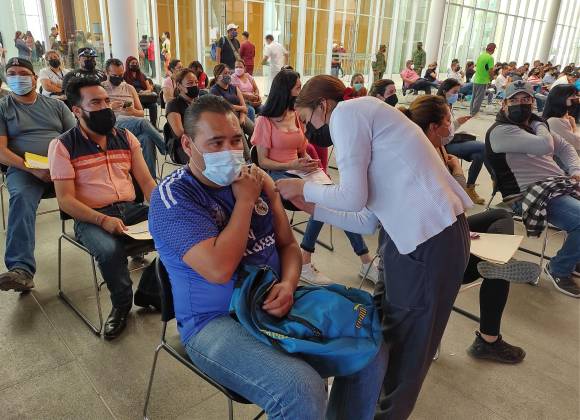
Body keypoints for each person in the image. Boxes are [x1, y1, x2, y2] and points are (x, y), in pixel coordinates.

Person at [148, 94, 387, 419]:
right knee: (300, 388)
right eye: (216, 143)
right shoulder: (175, 197)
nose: (230, 151)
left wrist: (288, 284)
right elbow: (219, 269)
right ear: (188, 145)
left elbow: (288, 246)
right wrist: (245, 201)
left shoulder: (255, 179)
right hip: (215, 320)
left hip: (276, 298)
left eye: (236, 140)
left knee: (369, 338)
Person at [275, 75, 472, 420]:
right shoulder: (369, 116)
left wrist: (301, 188)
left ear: (323, 105)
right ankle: (365, 407)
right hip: (416, 237)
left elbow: (352, 197)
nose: (309, 132)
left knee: (407, 351)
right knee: (386, 333)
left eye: (307, 120)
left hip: (427, 238)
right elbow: (366, 220)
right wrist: (312, 208)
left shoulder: (347, 113)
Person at [401, 94, 540, 363]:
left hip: (447, 229)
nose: (452, 124)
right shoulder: (423, 159)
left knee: (500, 216)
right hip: (434, 247)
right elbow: (456, 205)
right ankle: (489, 338)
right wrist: (457, 172)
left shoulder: (434, 147)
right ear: (434, 127)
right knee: (497, 263)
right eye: (449, 120)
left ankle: (494, 259)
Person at [48, 77, 156, 339]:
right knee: (109, 250)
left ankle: (152, 291)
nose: (106, 107)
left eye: (107, 101)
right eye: (95, 102)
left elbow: (146, 182)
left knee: (180, 228)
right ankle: (121, 306)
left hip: (130, 210)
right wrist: (101, 220)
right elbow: (66, 201)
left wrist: (164, 210)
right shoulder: (63, 146)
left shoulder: (126, 137)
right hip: (91, 216)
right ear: (77, 110)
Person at [251, 70, 380, 285]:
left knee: (338, 203)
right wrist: (292, 165)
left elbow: (302, 150)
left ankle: (363, 261)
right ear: (285, 90)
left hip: (300, 170)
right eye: (297, 87)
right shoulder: (264, 120)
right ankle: (309, 261)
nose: (301, 92)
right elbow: (263, 162)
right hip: (278, 175)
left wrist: (309, 162)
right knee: (323, 202)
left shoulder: (296, 115)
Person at [486, 81, 580, 297]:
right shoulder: (501, 131)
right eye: (514, 100)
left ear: (533, 102)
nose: (521, 104)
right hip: (526, 194)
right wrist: (540, 123)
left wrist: (575, 170)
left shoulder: (533, 125)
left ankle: (574, 256)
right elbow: (546, 145)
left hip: (555, 184)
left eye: (526, 99)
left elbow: (565, 147)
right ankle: (558, 268)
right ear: (504, 104)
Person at [0, 58, 76, 292]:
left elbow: (76, 138)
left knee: (104, 183)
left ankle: (127, 240)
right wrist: (32, 168)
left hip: (61, 167)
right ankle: (21, 269)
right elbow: (1, 151)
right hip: (24, 170)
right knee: (21, 198)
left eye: (23, 73)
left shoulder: (56, 106)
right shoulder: (3, 108)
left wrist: (62, 166)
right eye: (12, 73)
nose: (17, 77)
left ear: (34, 78)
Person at [102, 58, 166, 179]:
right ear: (107, 73)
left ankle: (150, 180)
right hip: (114, 125)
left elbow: (141, 112)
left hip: (132, 125)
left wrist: (132, 111)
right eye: (114, 75)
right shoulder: (101, 89)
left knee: (147, 138)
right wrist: (110, 107)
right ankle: (165, 148)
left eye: (120, 75)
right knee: (143, 122)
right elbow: (96, 112)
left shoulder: (130, 88)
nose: (118, 78)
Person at [437, 78, 488, 204]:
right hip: (443, 144)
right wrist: (456, 124)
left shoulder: (447, 105)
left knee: (479, 154)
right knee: (483, 147)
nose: (457, 95)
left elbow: (448, 129)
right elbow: (442, 132)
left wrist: (457, 123)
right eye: (454, 92)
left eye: (458, 92)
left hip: (449, 140)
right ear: (444, 91)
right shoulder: (439, 107)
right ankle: (493, 180)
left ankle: (469, 188)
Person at [209, 63, 254, 154]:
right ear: (218, 76)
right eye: (225, 73)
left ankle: (252, 150)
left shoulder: (234, 88)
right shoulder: (214, 90)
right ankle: (247, 157)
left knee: (256, 132)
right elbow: (225, 107)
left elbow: (244, 106)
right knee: (240, 134)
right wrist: (241, 108)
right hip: (227, 118)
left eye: (229, 73)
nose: (228, 75)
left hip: (240, 115)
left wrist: (242, 117)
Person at [165, 68, 199, 164]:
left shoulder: (198, 103)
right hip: (182, 146)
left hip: (199, 142)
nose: (194, 85)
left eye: (196, 82)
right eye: (190, 83)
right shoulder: (173, 105)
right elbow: (180, 132)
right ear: (179, 86)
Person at [542, 84, 580, 153]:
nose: (576, 98)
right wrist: (574, 126)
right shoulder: (554, 121)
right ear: (560, 98)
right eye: (573, 95)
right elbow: (577, 143)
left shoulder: (563, 113)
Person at [124, 56, 158, 127]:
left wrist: (144, 92)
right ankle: (141, 126)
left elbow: (149, 89)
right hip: (133, 99)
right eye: (133, 63)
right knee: (139, 108)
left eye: (136, 63)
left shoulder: (142, 75)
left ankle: (153, 126)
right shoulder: (125, 76)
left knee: (154, 106)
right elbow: (124, 89)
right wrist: (136, 93)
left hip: (144, 98)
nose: (135, 64)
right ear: (128, 64)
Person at [471, 43, 496, 116]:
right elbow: (490, 70)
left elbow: (483, 67)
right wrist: (491, 78)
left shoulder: (481, 56)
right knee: (479, 98)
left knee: (474, 97)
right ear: (493, 50)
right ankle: (474, 113)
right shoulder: (490, 58)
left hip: (476, 79)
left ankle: (472, 111)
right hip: (482, 81)